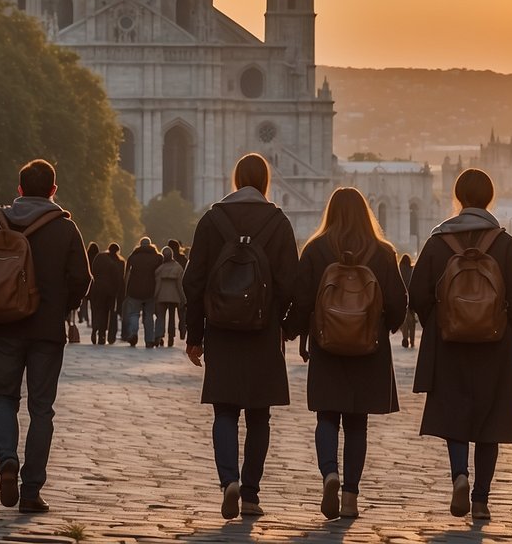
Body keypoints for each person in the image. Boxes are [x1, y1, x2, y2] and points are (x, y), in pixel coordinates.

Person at [409, 168, 512, 521]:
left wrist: (437, 321)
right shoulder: (504, 242)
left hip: (449, 342)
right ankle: (481, 498)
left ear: (458, 197)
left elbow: (417, 292)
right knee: (490, 420)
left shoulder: (438, 241)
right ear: (489, 197)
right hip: (494, 342)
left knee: (454, 412)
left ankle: (459, 473)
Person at [183, 153, 299, 520]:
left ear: (236, 180)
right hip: (263, 331)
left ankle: (227, 479)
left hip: (221, 329)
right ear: (265, 181)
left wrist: (194, 333)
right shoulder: (278, 221)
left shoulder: (212, 219)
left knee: (225, 410)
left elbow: (194, 281)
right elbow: (291, 284)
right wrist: (284, 324)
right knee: (259, 416)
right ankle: (250, 493)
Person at [285, 187, 407, 520]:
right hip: (369, 349)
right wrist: (386, 328)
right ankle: (351, 496)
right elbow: (398, 302)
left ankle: (330, 474)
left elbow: (302, 298)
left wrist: (291, 330)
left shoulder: (315, 249)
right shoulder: (382, 252)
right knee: (357, 425)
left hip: (327, 346)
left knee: (326, 416)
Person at [0, 159, 90, 514]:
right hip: (46, 330)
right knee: (41, 410)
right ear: (53, 191)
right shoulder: (65, 228)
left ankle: (6, 461)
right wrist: (63, 306)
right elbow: (81, 279)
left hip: (3, 325)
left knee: (3, 398)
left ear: (19, 190)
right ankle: (31, 490)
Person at [123, 237, 163, 347]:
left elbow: (127, 274)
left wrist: (125, 291)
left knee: (134, 314)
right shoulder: (157, 257)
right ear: (150, 244)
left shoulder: (133, 257)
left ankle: (133, 334)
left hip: (134, 290)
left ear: (140, 245)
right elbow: (160, 274)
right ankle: (149, 340)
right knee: (149, 316)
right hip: (151, 291)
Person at [89, 243, 125, 345]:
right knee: (110, 313)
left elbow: (93, 270)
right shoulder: (120, 262)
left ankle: (96, 328)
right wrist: (119, 293)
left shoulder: (100, 257)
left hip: (98, 288)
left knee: (99, 310)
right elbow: (119, 279)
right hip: (111, 291)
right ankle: (105, 335)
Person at [154, 246, 186, 347]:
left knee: (160, 317)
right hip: (174, 296)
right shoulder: (178, 267)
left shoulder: (160, 268)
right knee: (172, 317)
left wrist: (155, 295)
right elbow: (180, 285)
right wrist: (182, 298)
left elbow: (158, 284)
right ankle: (171, 337)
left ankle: (159, 335)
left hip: (162, 296)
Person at [398, 254, 417, 349]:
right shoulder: (412, 270)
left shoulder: (398, 270)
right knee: (412, 322)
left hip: (401, 297)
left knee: (404, 321)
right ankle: (412, 341)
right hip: (412, 297)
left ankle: (405, 337)